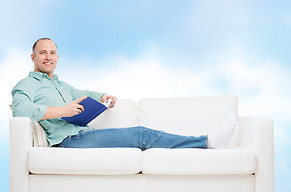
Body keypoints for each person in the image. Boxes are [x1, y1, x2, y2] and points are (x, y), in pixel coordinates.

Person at [11, 38, 237, 150]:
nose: (48, 57)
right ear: (33, 57)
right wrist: (62, 110)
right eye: (43, 53)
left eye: (53, 53)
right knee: (141, 134)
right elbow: (21, 108)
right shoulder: (27, 84)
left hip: (82, 134)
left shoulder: (60, 84)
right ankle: (207, 142)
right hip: (67, 142)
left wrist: (103, 98)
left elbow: (83, 93)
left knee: (140, 135)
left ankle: (205, 142)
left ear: (58, 57)